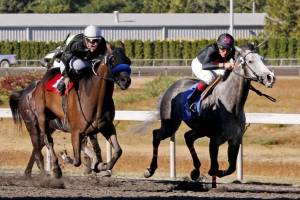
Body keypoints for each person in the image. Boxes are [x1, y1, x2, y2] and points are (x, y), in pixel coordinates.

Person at [188, 33, 236, 111]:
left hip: (213, 65)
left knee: (225, 74)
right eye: (222, 49)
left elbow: (235, 59)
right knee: (209, 78)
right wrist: (224, 65)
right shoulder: (212, 49)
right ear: (218, 45)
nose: (225, 52)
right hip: (199, 65)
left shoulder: (232, 50)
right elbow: (205, 66)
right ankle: (191, 100)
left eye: (228, 49)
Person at [56, 25, 107, 95]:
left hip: (87, 59)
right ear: (85, 39)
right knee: (78, 64)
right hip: (68, 58)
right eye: (89, 41)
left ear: (100, 39)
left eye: (96, 40)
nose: (92, 43)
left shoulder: (102, 43)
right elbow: (65, 59)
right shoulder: (77, 44)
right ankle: (62, 82)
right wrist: (66, 76)